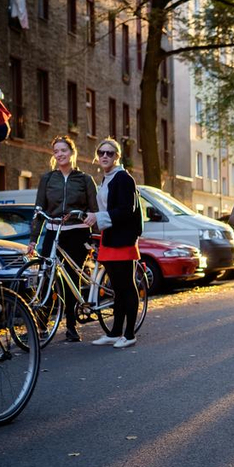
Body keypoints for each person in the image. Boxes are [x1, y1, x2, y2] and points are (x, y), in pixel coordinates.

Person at [29, 135, 98, 342]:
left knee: (71, 278)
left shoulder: (85, 179)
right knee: (46, 276)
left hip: (77, 233)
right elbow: (39, 210)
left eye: (63, 150)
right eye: (56, 151)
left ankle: (71, 326)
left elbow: (94, 210)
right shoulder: (48, 179)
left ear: (72, 152)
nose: (59, 154)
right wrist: (33, 239)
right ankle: (40, 326)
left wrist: (96, 236)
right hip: (53, 232)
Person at [88, 138, 142, 349]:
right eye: (101, 152)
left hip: (123, 240)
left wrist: (97, 218)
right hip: (110, 239)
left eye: (110, 153)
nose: (104, 156)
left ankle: (129, 334)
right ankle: (115, 332)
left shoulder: (123, 178)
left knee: (127, 287)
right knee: (117, 289)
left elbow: (125, 210)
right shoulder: (107, 178)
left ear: (117, 157)